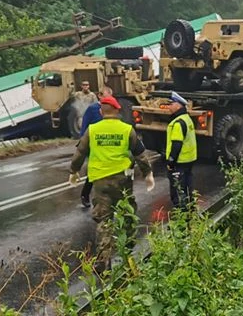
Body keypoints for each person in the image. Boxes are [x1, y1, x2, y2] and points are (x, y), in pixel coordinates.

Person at [68, 96, 154, 273]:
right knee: (127, 216)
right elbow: (140, 155)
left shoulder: (92, 130)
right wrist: (148, 174)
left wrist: (73, 171)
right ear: (118, 111)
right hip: (123, 181)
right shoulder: (126, 129)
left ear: (101, 112)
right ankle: (128, 256)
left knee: (104, 221)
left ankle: (103, 262)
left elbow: (80, 153)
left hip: (100, 182)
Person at [77, 86, 114, 208]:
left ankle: (108, 196)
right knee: (95, 170)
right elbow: (85, 126)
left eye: (110, 96)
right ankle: (85, 194)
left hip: (108, 143)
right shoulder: (93, 109)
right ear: (100, 96)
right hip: (94, 143)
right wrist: (83, 141)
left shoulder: (112, 108)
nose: (109, 99)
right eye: (106, 96)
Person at [165, 91, 197, 210]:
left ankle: (181, 215)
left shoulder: (178, 123)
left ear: (178, 105)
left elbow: (176, 145)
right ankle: (190, 211)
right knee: (188, 187)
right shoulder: (187, 118)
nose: (169, 106)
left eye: (171, 104)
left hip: (179, 162)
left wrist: (171, 162)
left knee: (178, 190)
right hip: (189, 160)